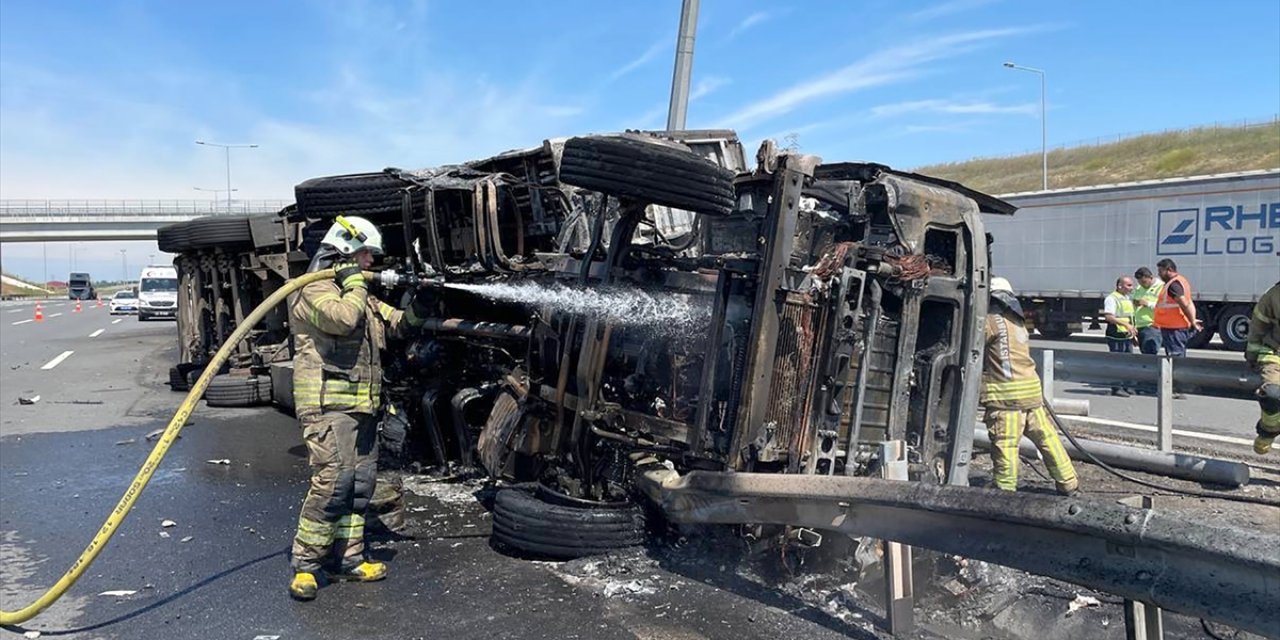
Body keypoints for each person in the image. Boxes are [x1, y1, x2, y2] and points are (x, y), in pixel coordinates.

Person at [287, 216, 431, 601]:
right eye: (367, 254)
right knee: (333, 484)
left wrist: (423, 301)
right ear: (346, 251)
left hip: (363, 404)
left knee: (359, 486)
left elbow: (398, 324)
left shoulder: (359, 294)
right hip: (327, 404)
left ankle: (348, 559)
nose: (371, 263)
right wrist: (353, 282)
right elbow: (343, 319)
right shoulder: (312, 291)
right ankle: (306, 565)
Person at [981, 277, 1079, 495]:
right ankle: (1068, 482)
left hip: (1007, 396)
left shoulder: (990, 321)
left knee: (1005, 443)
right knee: (1047, 438)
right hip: (1031, 391)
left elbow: (972, 348)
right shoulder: (1017, 321)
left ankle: (1004, 489)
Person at [1247, 282, 1280, 455]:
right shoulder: (1274, 294)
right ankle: (1268, 431)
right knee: (1272, 395)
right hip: (1275, 354)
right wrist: (1252, 355)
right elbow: (1258, 325)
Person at [1153, 258, 1201, 357]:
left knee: (1175, 356)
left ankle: (1176, 373)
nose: (1159, 274)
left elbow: (1184, 303)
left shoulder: (1173, 285)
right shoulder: (1180, 281)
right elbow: (1189, 303)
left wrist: (1192, 320)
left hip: (1174, 328)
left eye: (1161, 271)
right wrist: (1192, 320)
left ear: (1169, 270)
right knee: (1177, 354)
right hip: (1175, 326)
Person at [1102, 276, 1137, 396]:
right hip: (1116, 334)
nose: (1131, 288)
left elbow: (1130, 317)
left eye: (1131, 285)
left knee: (1128, 361)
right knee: (1117, 361)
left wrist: (1133, 332)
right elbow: (1109, 317)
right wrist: (1126, 325)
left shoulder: (1126, 298)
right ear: (1119, 286)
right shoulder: (1112, 299)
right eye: (1129, 285)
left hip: (1126, 335)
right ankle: (1116, 387)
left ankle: (1127, 386)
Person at [1132, 267, 1163, 355]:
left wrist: (1148, 304)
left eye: (1144, 282)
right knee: (1144, 355)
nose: (1142, 285)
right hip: (1140, 326)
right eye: (1140, 282)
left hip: (1152, 325)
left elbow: (1164, 307)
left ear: (1150, 277)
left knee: (1150, 354)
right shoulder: (1139, 288)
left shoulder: (1161, 287)